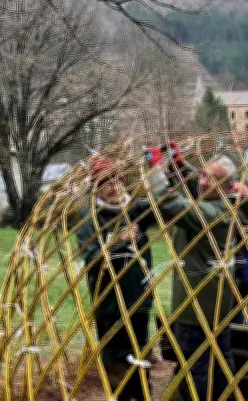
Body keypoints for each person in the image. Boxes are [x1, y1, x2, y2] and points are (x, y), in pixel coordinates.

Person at [147, 154, 248, 401]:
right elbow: (194, 187)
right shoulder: (229, 206)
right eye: (203, 174)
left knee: (194, 367)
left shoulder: (212, 214)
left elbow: (170, 201)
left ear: (229, 187)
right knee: (219, 362)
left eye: (213, 178)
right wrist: (178, 163)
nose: (204, 181)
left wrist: (156, 170)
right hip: (216, 305)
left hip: (196, 308)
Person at [76, 157, 158, 401]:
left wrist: (159, 169)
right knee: (116, 360)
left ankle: (143, 396)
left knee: (140, 355)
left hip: (139, 297)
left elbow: (165, 204)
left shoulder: (135, 208)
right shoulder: (90, 216)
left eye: (118, 180)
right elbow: (91, 258)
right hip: (110, 301)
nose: (115, 186)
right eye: (107, 182)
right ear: (97, 187)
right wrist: (116, 242)